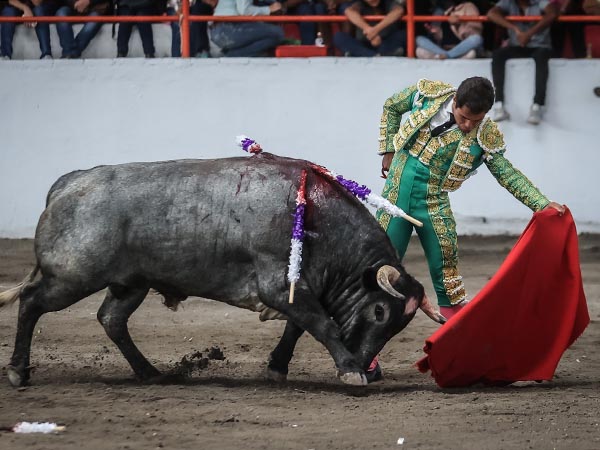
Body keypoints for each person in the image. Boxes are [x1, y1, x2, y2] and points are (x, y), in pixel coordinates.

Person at [377, 77, 564, 325]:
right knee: (379, 268)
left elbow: (506, 173)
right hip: (395, 195)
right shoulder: (429, 94)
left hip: (433, 203)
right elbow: (392, 105)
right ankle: (364, 352)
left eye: (475, 120)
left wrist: (540, 203)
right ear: (455, 101)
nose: (467, 125)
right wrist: (388, 150)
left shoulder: (485, 135)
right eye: (463, 117)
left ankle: (452, 349)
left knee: (447, 275)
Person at [487, 0, 560, 125]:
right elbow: (491, 14)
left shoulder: (541, 2)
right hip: (517, 45)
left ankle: (537, 106)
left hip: (539, 46)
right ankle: (499, 105)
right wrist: (513, 28)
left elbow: (552, 13)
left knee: (542, 57)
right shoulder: (509, 3)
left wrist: (529, 33)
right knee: (498, 54)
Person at [209, 0, 285, 57]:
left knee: (270, 34)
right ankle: (231, 56)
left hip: (223, 30)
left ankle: (231, 54)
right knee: (277, 33)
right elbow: (244, 10)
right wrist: (269, 9)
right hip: (228, 28)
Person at [332, 0, 406, 57]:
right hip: (364, 44)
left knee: (403, 34)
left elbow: (398, 10)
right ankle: (375, 56)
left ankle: (369, 55)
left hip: (385, 42)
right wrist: (368, 29)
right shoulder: (359, 4)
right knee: (339, 37)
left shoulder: (387, 2)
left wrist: (376, 30)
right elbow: (349, 11)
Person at [415, 1, 483, 59]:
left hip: (461, 48)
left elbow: (475, 32)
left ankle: (447, 56)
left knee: (476, 39)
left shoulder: (468, 6)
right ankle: (446, 55)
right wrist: (433, 32)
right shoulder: (439, 11)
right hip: (441, 48)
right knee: (419, 40)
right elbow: (436, 36)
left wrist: (458, 23)